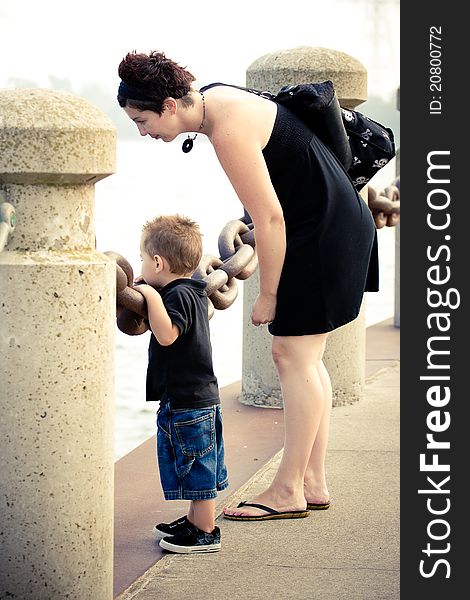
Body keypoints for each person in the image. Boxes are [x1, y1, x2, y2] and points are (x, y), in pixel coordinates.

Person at [117, 51, 378, 521]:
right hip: (333, 223)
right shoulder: (217, 98)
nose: (142, 131)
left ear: (171, 105)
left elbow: (271, 218)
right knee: (306, 358)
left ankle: (288, 489)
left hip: (319, 234)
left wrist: (270, 294)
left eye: (142, 119)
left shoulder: (227, 128)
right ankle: (311, 480)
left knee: (291, 356)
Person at [135, 214, 228, 552]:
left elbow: (167, 334)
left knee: (198, 466)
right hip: (197, 397)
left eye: (142, 258)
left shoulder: (174, 297)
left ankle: (205, 530)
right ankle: (193, 522)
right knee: (196, 463)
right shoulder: (196, 292)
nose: (141, 264)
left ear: (157, 262)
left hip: (189, 401)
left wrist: (148, 294)